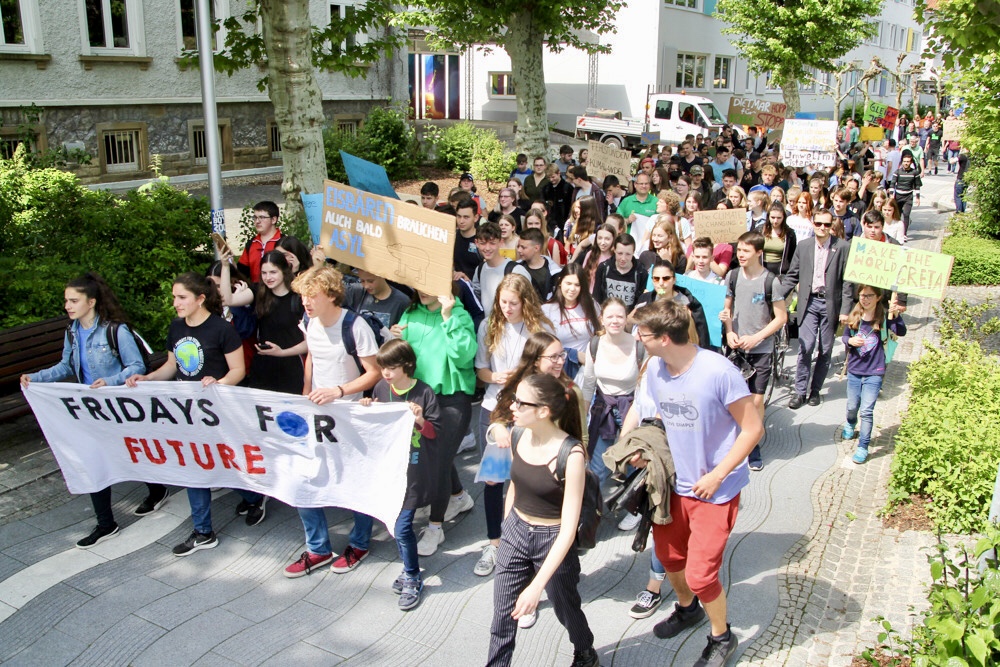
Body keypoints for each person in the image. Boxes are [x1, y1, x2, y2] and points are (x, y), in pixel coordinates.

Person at [621, 299, 763, 667]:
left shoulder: (718, 372)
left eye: (644, 334)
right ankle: (688, 610)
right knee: (668, 557)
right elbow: (655, 419)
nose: (638, 338)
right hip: (673, 485)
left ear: (666, 338)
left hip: (716, 489)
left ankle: (721, 637)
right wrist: (641, 451)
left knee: (701, 575)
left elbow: (753, 428)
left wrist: (718, 474)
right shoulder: (654, 368)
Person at [21, 273, 169, 549]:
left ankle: (157, 489)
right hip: (91, 409)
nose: (68, 306)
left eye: (73, 300)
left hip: (119, 406)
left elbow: (136, 366)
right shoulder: (72, 332)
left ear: (91, 302)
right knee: (92, 459)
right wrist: (36, 377)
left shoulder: (115, 330)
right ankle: (105, 523)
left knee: (132, 451)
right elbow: (66, 366)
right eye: (66, 300)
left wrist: (110, 382)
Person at [126, 272, 267, 556]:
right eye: (174, 297)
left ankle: (254, 496)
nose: (175, 303)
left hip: (217, 410)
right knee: (195, 467)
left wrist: (219, 384)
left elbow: (239, 370)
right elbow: (171, 365)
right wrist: (149, 379)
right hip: (186, 411)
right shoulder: (176, 327)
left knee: (224, 463)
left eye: (181, 297)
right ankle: (203, 531)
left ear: (200, 299)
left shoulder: (222, 329)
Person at [485, 372, 598, 666]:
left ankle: (585, 650)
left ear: (543, 412)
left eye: (520, 403)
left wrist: (536, 586)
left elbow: (568, 529)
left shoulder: (570, 454)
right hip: (515, 531)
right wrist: (508, 524)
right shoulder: (518, 434)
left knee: (566, 607)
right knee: (502, 616)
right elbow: (514, 485)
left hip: (553, 538)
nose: (512, 407)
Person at [282, 265, 382, 577]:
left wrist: (338, 391)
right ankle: (318, 548)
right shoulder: (310, 322)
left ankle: (360, 542)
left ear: (331, 294)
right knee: (302, 480)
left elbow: (374, 373)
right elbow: (313, 355)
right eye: (303, 297)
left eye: (312, 296)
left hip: (350, 415)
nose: (306, 303)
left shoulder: (355, 325)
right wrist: (305, 392)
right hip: (317, 414)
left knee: (354, 483)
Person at [474, 274, 553, 577]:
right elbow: (480, 369)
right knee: (493, 479)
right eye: (502, 302)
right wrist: (493, 377)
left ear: (526, 302)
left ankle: (523, 545)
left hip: (527, 411)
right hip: (493, 408)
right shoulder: (488, 326)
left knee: (524, 479)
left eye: (513, 303)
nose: (506, 308)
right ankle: (494, 543)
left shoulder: (539, 329)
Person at [357, 339, 442, 610]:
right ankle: (408, 567)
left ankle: (412, 575)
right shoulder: (382, 387)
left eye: (391, 368)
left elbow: (435, 433)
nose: (385, 373)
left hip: (414, 471)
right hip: (390, 470)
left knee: (402, 526)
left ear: (406, 365)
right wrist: (368, 406)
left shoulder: (425, 392)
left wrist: (419, 420)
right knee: (396, 526)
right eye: (383, 368)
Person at [392, 288, 477, 558]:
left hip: (451, 399)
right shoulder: (410, 311)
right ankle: (460, 497)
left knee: (437, 461)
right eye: (420, 285)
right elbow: (405, 360)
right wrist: (396, 339)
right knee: (437, 455)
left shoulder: (459, 313)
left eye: (431, 285)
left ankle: (435, 527)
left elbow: (464, 356)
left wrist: (448, 315)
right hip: (419, 397)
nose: (424, 291)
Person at [719, 232, 787, 471]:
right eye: (739, 250)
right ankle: (736, 439)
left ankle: (752, 444)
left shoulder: (771, 281)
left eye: (746, 251)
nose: (741, 255)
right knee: (734, 397)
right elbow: (727, 308)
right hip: (736, 347)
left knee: (756, 399)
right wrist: (729, 331)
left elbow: (781, 317)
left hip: (761, 348)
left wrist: (757, 337)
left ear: (759, 252)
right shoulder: (733, 276)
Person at [779, 209, 855, 409]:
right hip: (809, 302)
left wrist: (845, 309)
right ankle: (800, 391)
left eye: (827, 225)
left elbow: (847, 282)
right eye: (819, 224)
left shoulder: (842, 247)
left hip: (831, 303)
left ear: (832, 226)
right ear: (813, 224)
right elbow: (792, 275)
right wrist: (777, 295)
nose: (822, 228)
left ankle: (815, 390)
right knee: (806, 346)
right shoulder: (804, 246)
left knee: (826, 349)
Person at [220, 250, 307, 394]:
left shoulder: (299, 298)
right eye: (264, 273)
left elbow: (309, 342)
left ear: (284, 271)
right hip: (263, 366)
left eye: (273, 272)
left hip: (292, 367)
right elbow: (227, 300)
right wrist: (225, 266)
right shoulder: (258, 292)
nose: (268, 277)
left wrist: (282, 352)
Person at [581, 297, 643, 487]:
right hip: (603, 407)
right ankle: (595, 511)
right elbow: (589, 383)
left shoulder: (639, 347)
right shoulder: (595, 344)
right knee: (597, 465)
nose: (614, 321)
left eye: (619, 316)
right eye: (610, 316)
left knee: (632, 463)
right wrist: (582, 417)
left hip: (630, 408)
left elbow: (644, 386)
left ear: (626, 319)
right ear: (602, 319)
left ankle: (631, 512)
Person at [842, 285, 906, 465]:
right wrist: (850, 341)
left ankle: (863, 446)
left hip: (875, 372)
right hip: (855, 370)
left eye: (869, 295)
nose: (865, 299)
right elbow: (845, 337)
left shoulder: (885, 318)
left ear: (878, 297)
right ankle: (850, 422)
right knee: (852, 405)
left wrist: (897, 315)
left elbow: (901, 331)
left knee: (867, 411)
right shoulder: (854, 316)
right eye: (862, 295)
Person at [633, 258, 712, 349]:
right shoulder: (645, 299)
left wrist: (688, 319)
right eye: (656, 279)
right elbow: (634, 329)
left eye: (666, 278)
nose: (661, 283)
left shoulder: (689, 303)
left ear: (674, 279)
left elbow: (701, 336)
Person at [542, 263, 601, 383]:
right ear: (560, 282)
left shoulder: (592, 305)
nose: (572, 289)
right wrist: (574, 355)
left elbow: (601, 333)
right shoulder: (547, 310)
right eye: (568, 283)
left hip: (587, 372)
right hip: (560, 372)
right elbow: (544, 347)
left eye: (577, 285)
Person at [472, 221, 532, 317]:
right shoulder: (479, 269)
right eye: (483, 243)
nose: (487, 248)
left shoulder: (515, 270)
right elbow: (476, 297)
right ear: (476, 243)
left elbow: (528, 303)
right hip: (490, 327)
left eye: (492, 243)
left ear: (501, 242)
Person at [343, 268, 411, 332]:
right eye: (362, 281)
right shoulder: (355, 291)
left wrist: (393, 334)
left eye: (370, 281)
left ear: (383, 276)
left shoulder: (401, 301)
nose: (366, 286)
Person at [592, 233, 648, 311]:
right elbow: (597, 297)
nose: (623, 258)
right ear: (614, 250)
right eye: (620, 253)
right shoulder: (604, 268)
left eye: (628, 254)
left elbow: (641, 302)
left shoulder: (641, 272)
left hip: (629, 319)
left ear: (633, 252)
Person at [238, 201, 283, 282]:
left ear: (273, 220)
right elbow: (241, 273)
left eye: (262, 217)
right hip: (256, 291)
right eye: (255, 217)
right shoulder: (251, 243)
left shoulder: (283, 242)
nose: (257, 221)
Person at [516, 228, 562, 302]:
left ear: (536, 248)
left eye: (523, 247)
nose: (519, 250)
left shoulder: (553, 272)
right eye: (518, 246)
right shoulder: (516, 268)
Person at [754, 203, 797, 276]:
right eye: (773, 217)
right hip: (762, 268)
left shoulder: (789, 234)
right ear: (768, 217)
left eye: (779, 218)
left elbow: (792, 255)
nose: (775, 221)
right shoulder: (759, 230)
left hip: (781, 270)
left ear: (783, 217)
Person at [890, 151, 921, 239]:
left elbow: (917, 186)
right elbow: (892, 184)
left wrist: (918, 198)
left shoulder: (914, 173)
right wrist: (892, 195)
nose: (906, 163)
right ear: (902, 162)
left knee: (906, 215)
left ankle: (904, 234)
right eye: (904, 161)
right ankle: (896, 233)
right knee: (897, 215)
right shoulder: (898, 172)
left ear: (911, 162)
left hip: (908, 196)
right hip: (898, 196)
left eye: (908, 162)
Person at [581, 223, 617, 296]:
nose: (602, 242)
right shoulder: (590, 254)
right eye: (600, 238)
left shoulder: (615, 257)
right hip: (590, 297)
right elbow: (582, 277)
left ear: (613, 240)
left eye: (607, 239)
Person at [453, 199, 482, 282]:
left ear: (476, 218)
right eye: (459, 216)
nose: (461, 221)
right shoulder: (453, 236)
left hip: (475, 289)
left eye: (466, 217)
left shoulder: (482, 241)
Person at [542, 164, 575, 236]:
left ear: (558, 173)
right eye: (549, 178)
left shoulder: (568, 188)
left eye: (553, 177)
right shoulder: (546, 189)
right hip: (550, 224)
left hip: (564, 223)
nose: (551, 180)